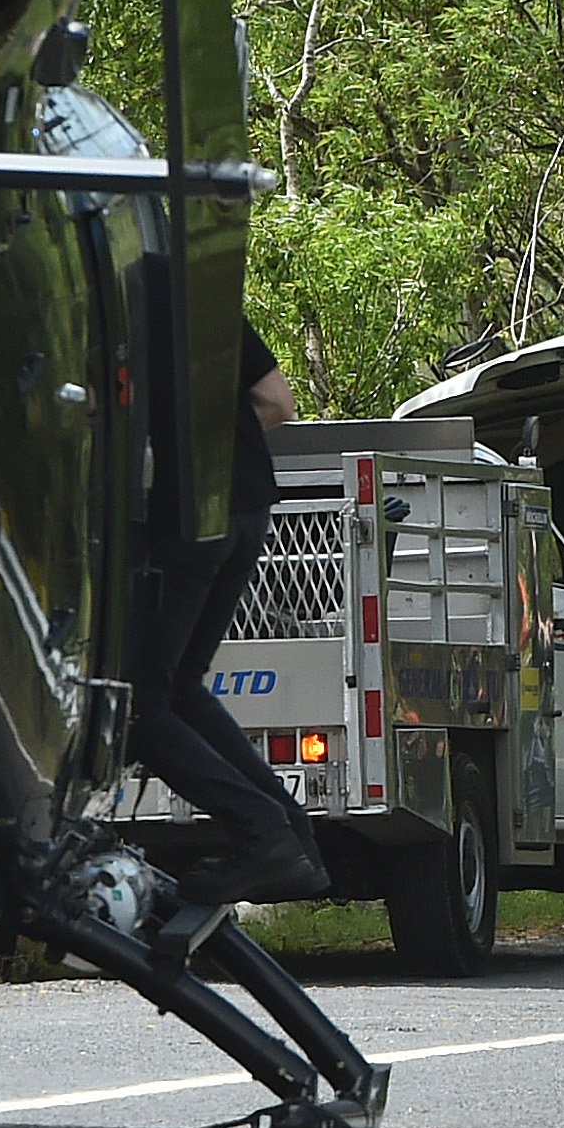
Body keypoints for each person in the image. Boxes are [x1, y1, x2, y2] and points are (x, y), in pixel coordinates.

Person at [136, 327, 338, 908]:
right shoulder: (205, 296)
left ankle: (263, 835)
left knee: (137, 705)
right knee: (180, 686)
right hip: (249, 506)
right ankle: (294, 837)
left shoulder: (117, 301)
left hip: (189, 516)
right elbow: (279, 401)